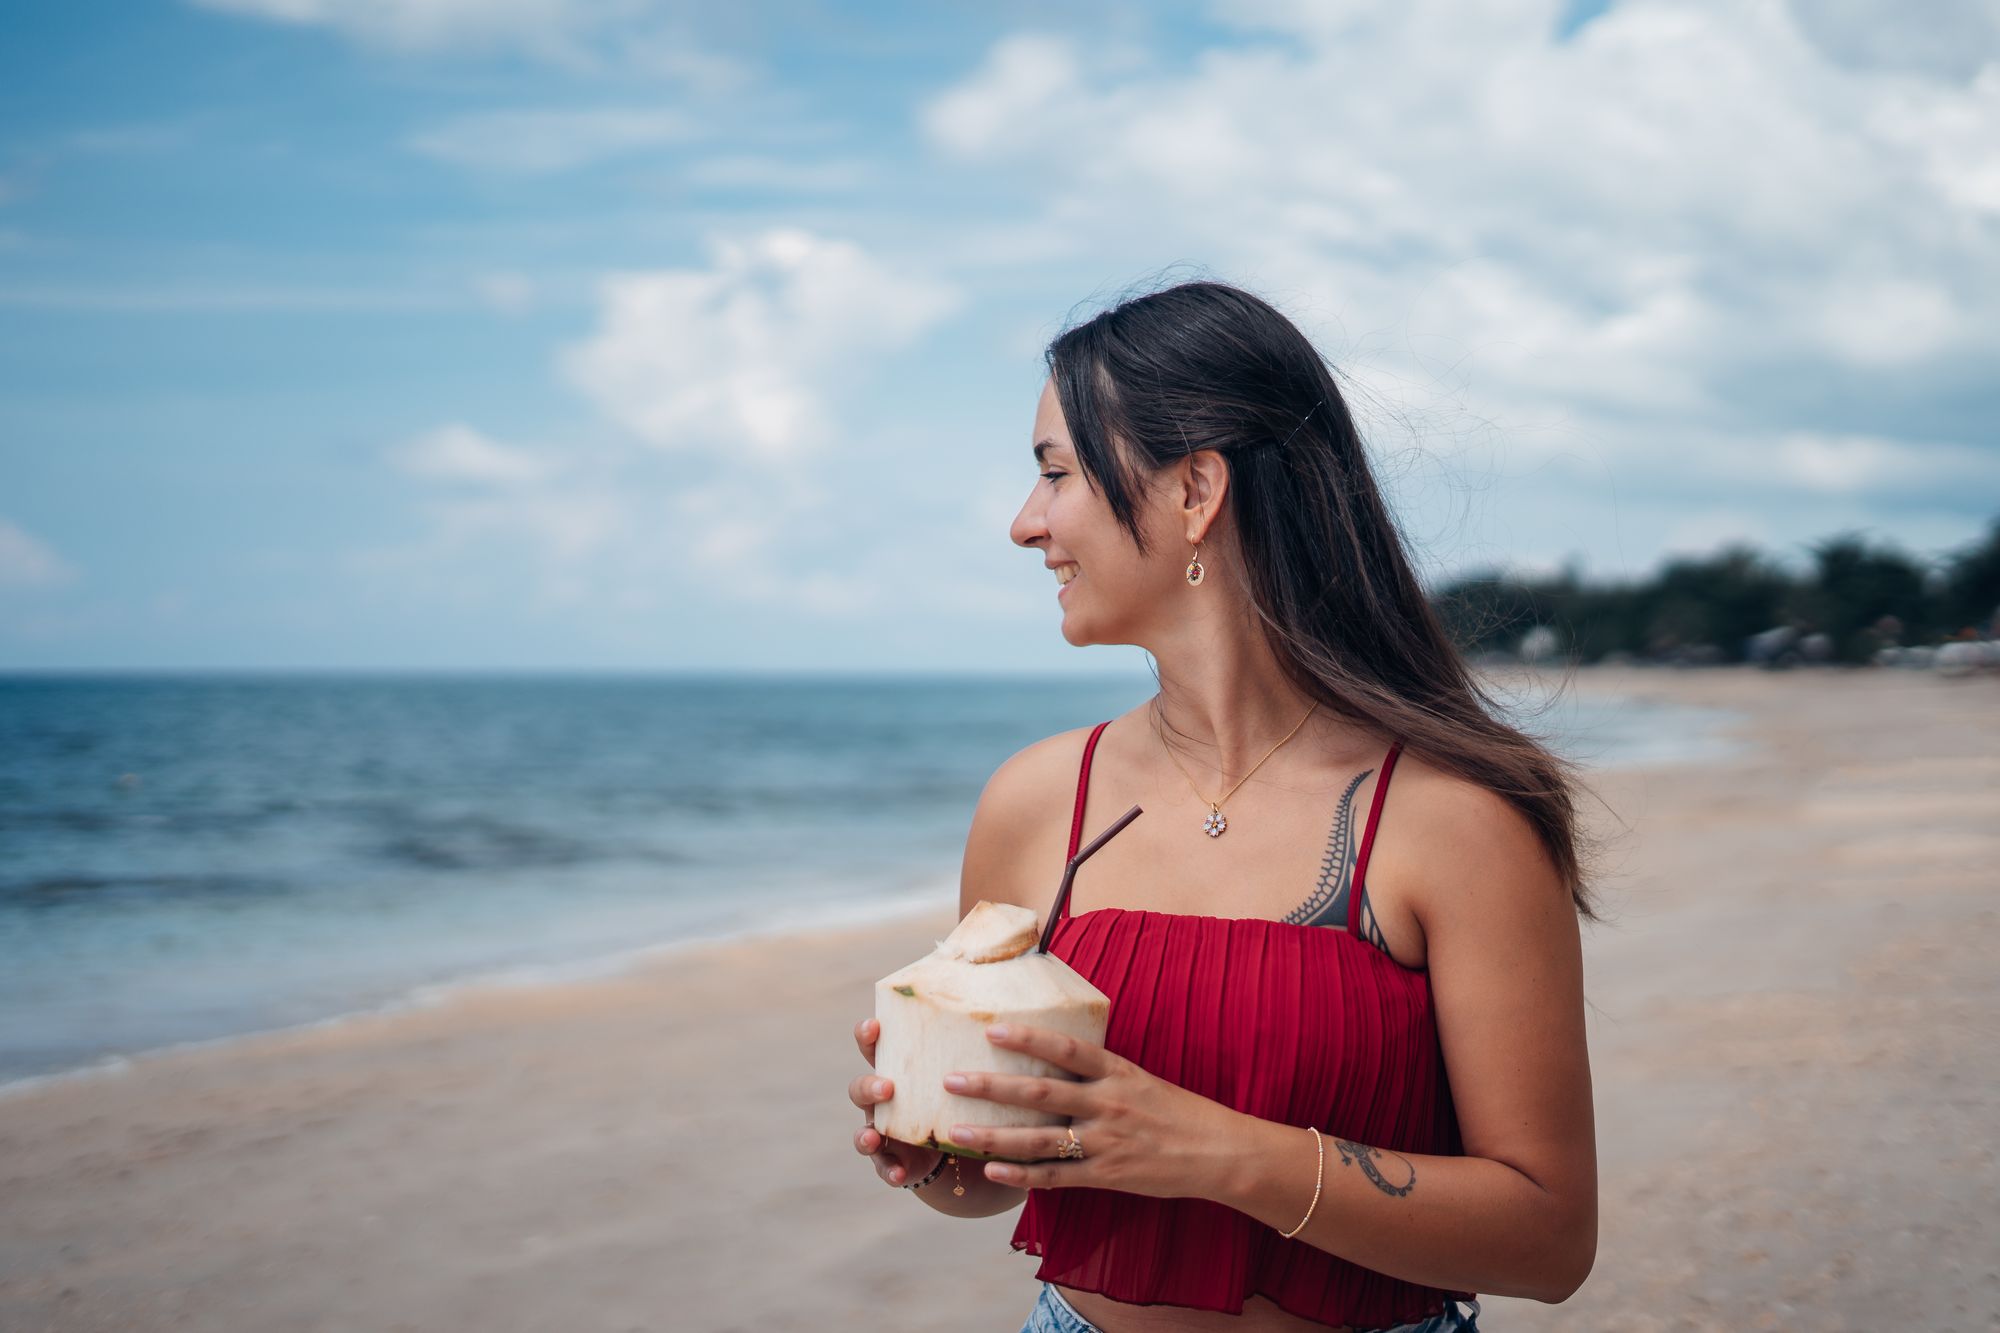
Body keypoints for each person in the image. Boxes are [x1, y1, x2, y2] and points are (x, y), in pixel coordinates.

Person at [848, 278, 1600, 1332]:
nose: (1026, 525)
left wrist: (1208, 1150)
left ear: (1195, 490)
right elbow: (1005, 1177)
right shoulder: (1034, 802)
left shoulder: (1450, 820)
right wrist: (937, 1146)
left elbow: (1549, 1238)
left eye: (1056, 474)